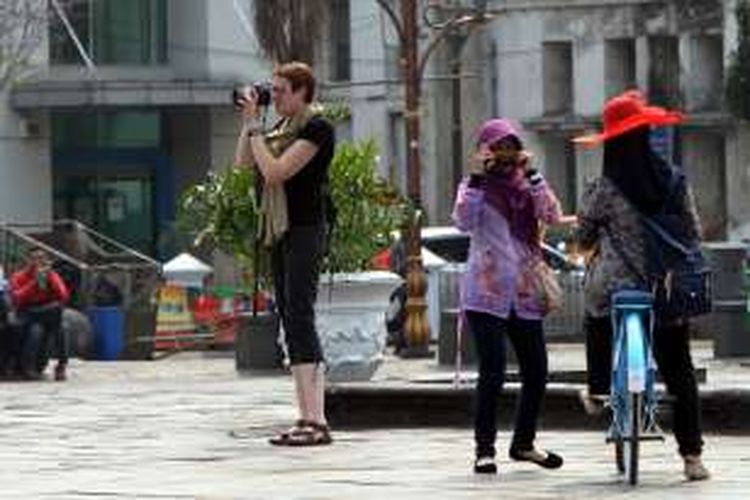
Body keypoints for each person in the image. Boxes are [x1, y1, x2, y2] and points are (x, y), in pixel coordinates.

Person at [574, 90, 710, 481]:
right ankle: (692, 458)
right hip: (665, 289)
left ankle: (599, 389)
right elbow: (694, 233)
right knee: (679, 369)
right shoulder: (673, 181)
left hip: (615, 289)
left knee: (595, 312)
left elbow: (584, 237)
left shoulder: (602, 188)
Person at [452, 118, 565, 474]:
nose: (504, 155)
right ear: (484, 153)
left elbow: (552, 214)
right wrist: (476, 179)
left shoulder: (527, 185)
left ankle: (524, 444)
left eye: (510, 147)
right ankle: (484, 450)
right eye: (496, 147)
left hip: (525, 292)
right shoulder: (475, 187)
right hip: (487, 291)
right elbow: (463, 221)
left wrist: (533, 177)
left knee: (537, 370)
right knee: (493, 371)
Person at [234, 61, 335, 446]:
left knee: (300, 315)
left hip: (306, 229)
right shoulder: (275, 129)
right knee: (291, 317)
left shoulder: (317, 128)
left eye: (279, 91)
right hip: (279, 230)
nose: (272, 97)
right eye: (270, 90)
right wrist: (251, 121)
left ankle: (316, 419)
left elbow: (276, 172)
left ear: (301, 91)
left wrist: (257, 127)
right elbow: (245, 163)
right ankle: (308, 415)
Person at [9, 247, 70, 381]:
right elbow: (17, 298)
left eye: (42, 258)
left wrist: (51, 278)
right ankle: (29, 368)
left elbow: (63, 296)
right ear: (28, 260)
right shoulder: (19, 276)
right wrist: (34, 282)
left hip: (49, 312)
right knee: (37, 330)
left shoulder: (52, 274)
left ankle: (61, 366)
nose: (38, 261)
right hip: (28, 311)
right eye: (34, 258)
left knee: (61, 328)